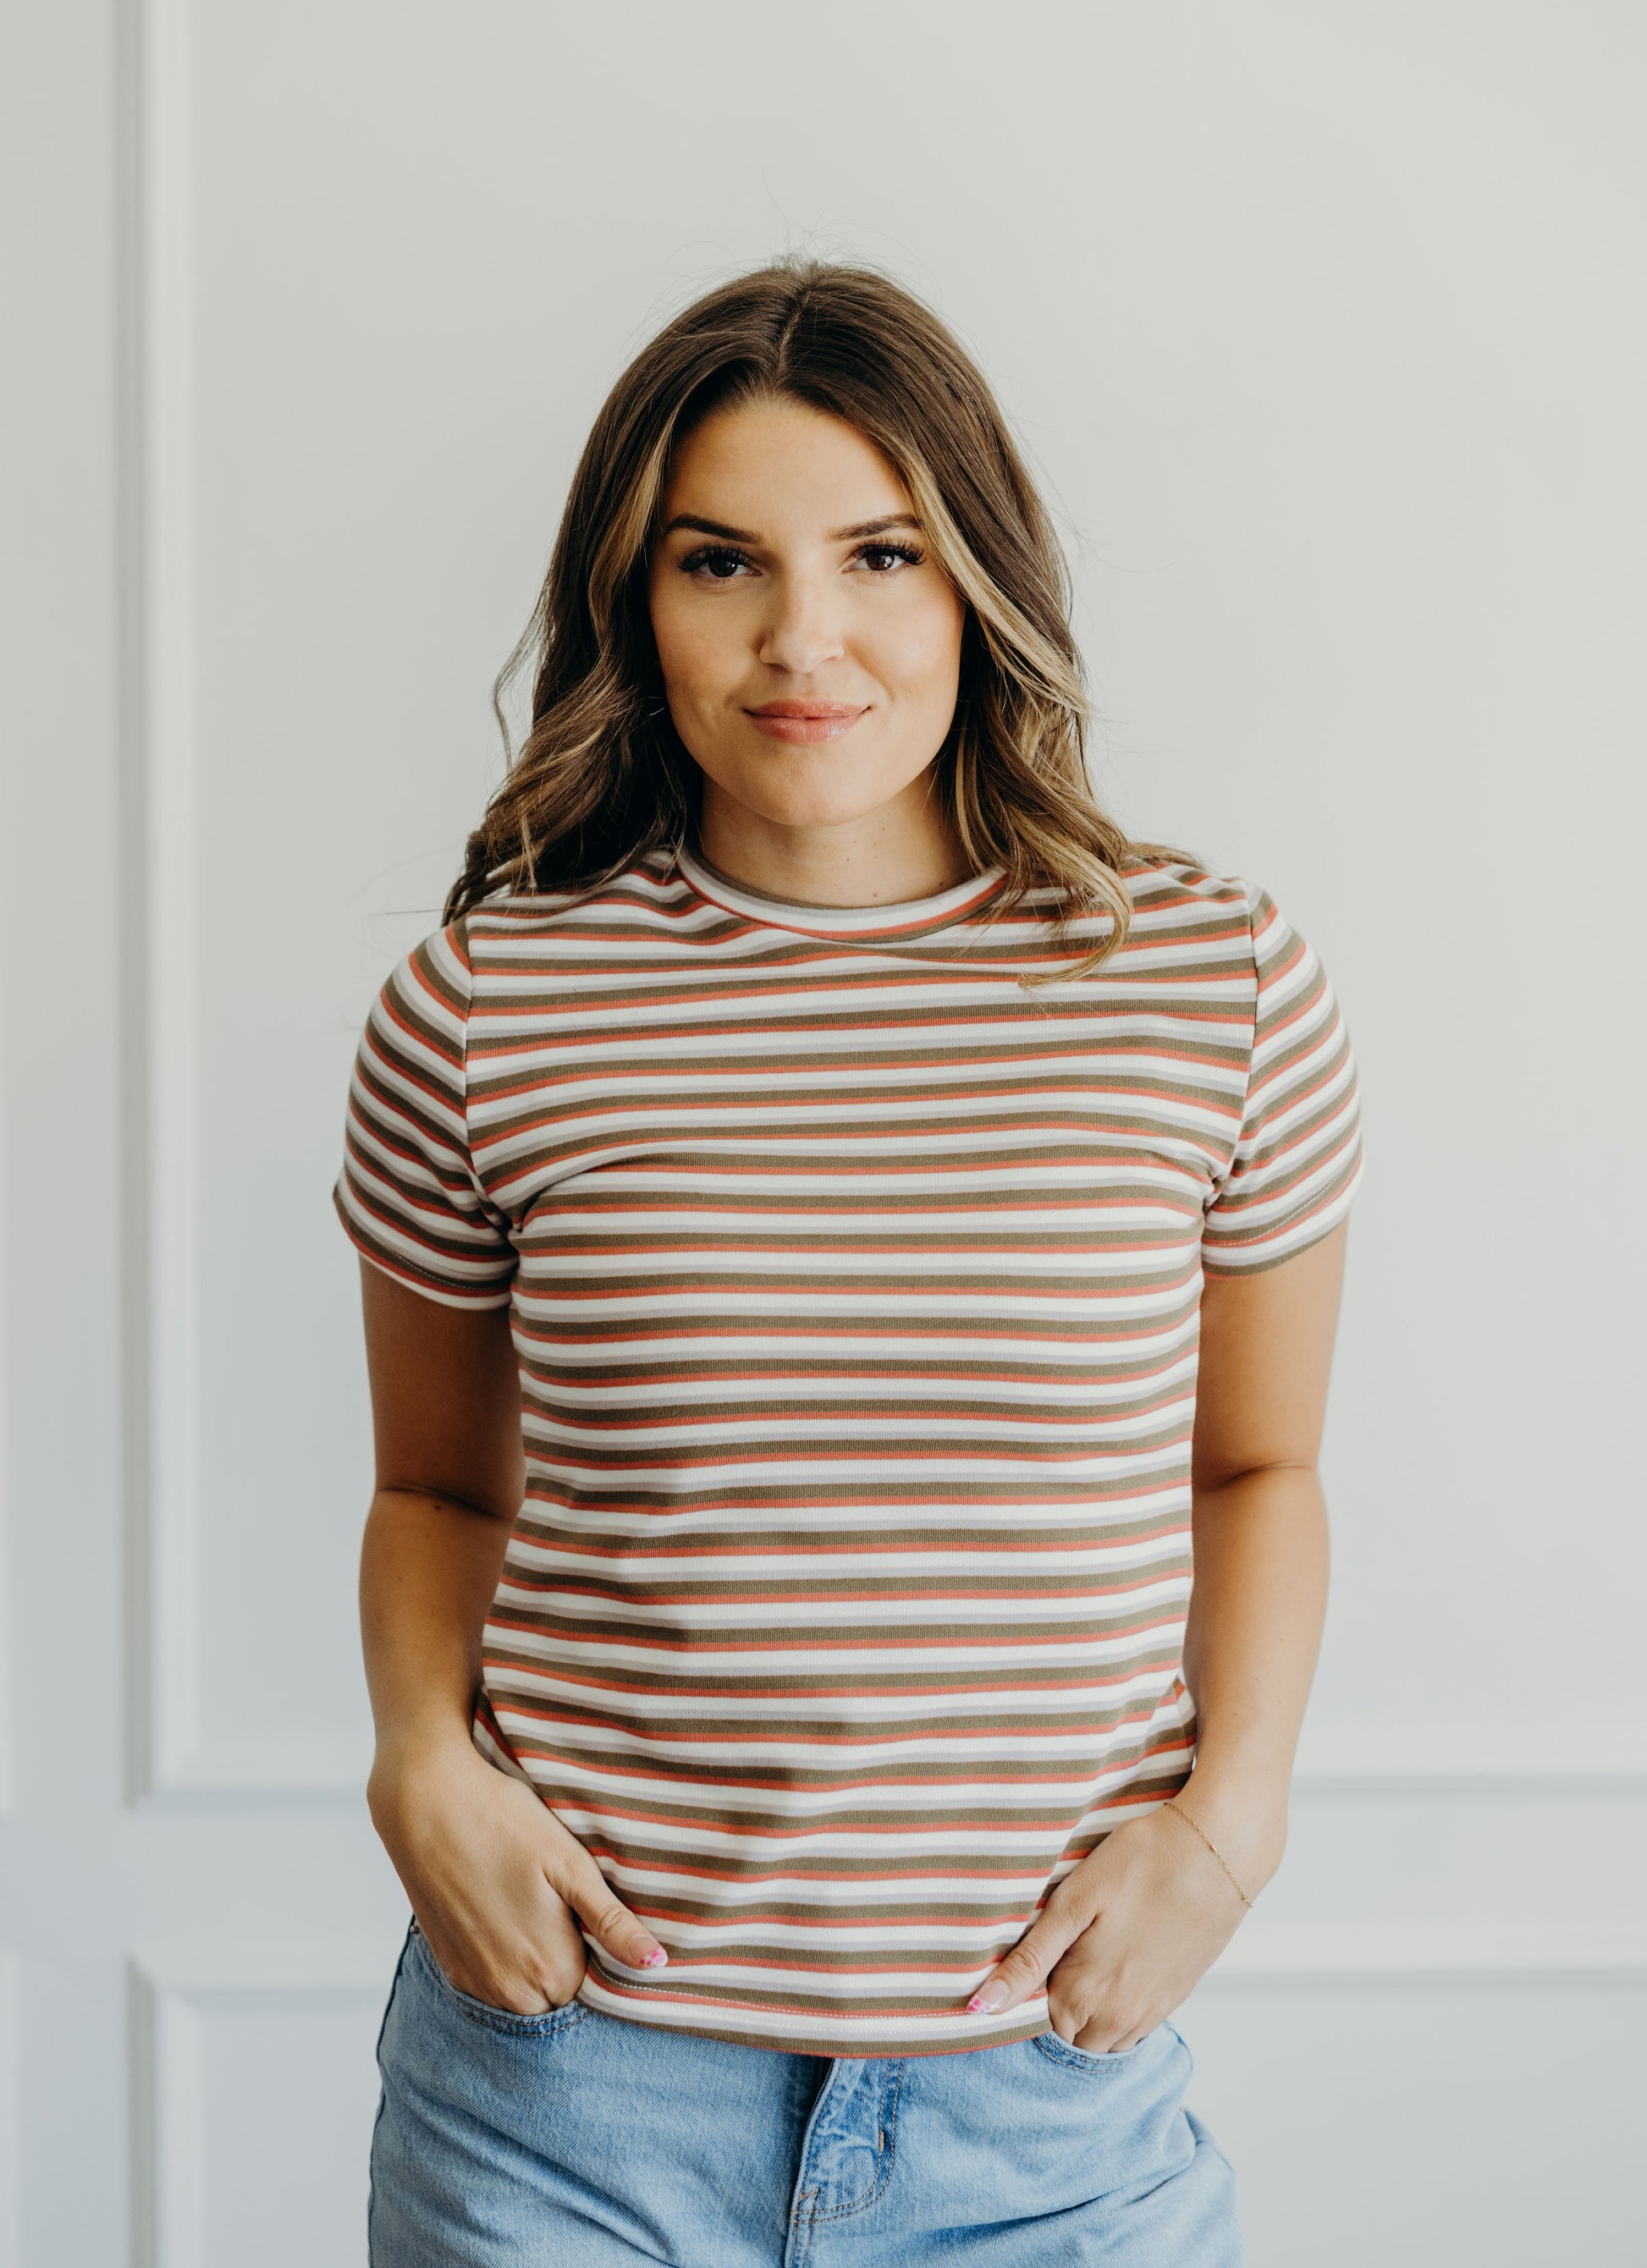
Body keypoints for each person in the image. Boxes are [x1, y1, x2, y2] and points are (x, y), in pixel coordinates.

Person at [335, 259, 1363, 2265]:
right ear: (633, 596)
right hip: (568, 2090)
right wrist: (416, 1768)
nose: (805, 637)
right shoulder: (485, 1007)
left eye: (880, 551)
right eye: (721, 561)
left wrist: (1228, 1824)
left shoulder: (1213, 983)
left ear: (976, 576)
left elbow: (1258, 1469)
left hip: (1043, 2108)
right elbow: (437, 1485)